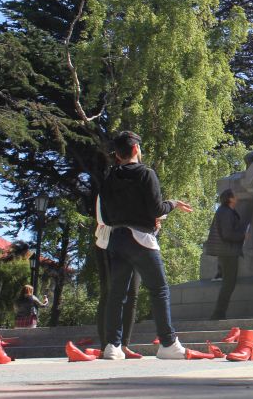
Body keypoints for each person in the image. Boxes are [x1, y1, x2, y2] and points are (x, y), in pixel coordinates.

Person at [99, 130, 193, 360]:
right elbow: (156, 209)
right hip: (141, 239)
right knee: (159, 290)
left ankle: (112, 346)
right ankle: (168, 343)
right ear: (135, 149)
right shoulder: (145, 173)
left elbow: (106, 216)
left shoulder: (109, 177)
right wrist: (172, 204)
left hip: (117, 239)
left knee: (116, 294)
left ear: (118, 155)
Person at [92, 188, 140, 356]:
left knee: (132, 293)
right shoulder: (108, 188)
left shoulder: (140, 188)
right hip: (109, 242)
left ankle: (124, 344)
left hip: (138, 243)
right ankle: (108, 344)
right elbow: (103, 218)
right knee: (110, 293)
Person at [205, 189, 249, 320]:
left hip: (227, 251)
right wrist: (243, 235)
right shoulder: (225, 212)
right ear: (230, 198)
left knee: (228, 283)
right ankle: (218, 313)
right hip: (228, 252)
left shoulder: (225, 211)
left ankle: (219, 312)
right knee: (228, 283)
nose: (238, 197)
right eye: (235, 195)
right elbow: (227, 234)